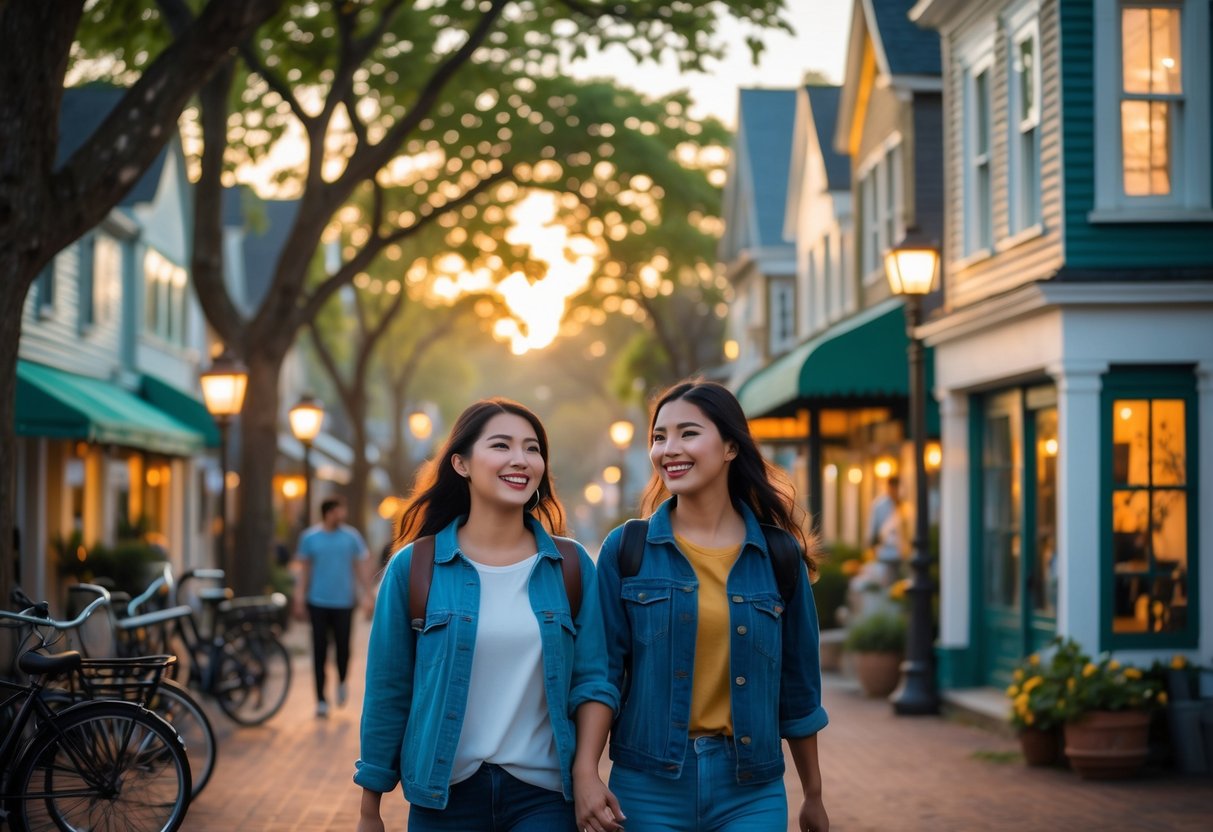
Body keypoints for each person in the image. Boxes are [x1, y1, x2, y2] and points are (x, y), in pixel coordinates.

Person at [354, 398, 618, 832]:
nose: (520, 460)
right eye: (501, 445)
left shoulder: (569, 567)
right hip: (445, 798)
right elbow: (388, 690)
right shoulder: (414, 568)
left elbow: (593, 680)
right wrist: (370, 809)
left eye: (532, 449)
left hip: (544, 797)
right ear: (461, 463)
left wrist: (587, 771)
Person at [580, 380, 830, 832]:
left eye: (688, 433)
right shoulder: (627, 549)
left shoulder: (777, 556)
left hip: (750, 788)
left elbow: (799, 686)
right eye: (659, 437)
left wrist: (813, 794)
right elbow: (602, 674)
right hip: (647, 783)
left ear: (731, 445)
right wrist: (586, 773)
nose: (668, 449)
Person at [293, 497, 375, 718]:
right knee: (319, 650)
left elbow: (360, 567)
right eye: (338, 511)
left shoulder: (351, 537)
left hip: (344, 603)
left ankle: (341, 681)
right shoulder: (310, 538)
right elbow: (305, 571)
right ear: (328, 513)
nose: (342, 515)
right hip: (317, 602)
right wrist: (299, 598)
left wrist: (367, 595)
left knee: (343, 648)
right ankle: (320, 699)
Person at [867, 475, 906, 586]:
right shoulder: (879, 505)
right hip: (885, 553)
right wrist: (873, 548)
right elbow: (872, 529)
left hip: (902, 554)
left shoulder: (903, 504)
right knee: (887, 584)